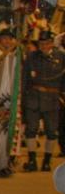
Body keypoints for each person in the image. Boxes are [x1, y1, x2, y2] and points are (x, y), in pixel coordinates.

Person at [22, 29, 62, 172]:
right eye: (41, 43)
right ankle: (32, 160)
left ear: (52, 43)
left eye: (47, 43)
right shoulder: (31, 57)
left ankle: (47, 161)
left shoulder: (61, 57)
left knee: (51, 131)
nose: (44, 46)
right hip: (33, 98)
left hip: (52, 100)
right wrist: (23, 99)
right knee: (31, 130)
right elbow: (25, 79)